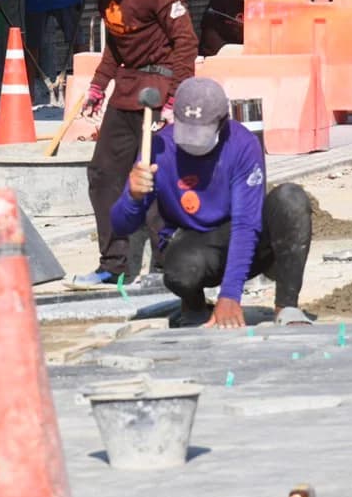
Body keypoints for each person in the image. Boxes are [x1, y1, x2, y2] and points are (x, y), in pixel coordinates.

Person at [62, 0, 199, 289]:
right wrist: (97, 87)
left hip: (158, 91)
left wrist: (174, 97)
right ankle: (113, 263)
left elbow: (185, 43)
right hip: (125, 89)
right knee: (103, 174)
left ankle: (167, 264)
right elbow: (116, 45)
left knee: (153, 178)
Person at [113, 78, 312, 328]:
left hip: (243, 242)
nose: (193, 144)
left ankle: (287, 306)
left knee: (291, 199)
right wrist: (133, 197)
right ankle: (194, 305)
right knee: (180, 271)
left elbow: (245, 224)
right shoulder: (157, 148)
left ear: (222, 123)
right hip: (195, 245)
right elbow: (121, 226)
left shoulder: (242, 145)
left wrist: (230, 295)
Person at [199, 0, 270, 57]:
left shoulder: (260, 10)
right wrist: (229, 52)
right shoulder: (221, 1)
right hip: (218, 56)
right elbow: (209, 36)